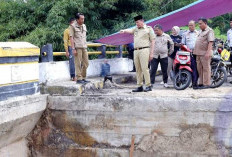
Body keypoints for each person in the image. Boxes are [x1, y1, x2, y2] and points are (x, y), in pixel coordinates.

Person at [120, 15, 155, 92]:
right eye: (136, 22)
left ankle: (148, 85)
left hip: (145, 49)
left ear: (142, 21)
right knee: (138, 69)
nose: (137, 24)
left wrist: (151, 53)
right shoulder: (135, 29)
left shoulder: (149, 29)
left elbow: (153, 41)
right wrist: (124, 30)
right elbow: (129, 30)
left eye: (138, 22)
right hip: (136, 51)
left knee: (145, 68)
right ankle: (139, 86)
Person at [194, 17, 215, 89]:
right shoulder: (200, 31)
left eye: (200, 24)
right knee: (199, 69)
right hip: (198, 53)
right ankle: (201, 83)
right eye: (199, 24)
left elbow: (210, 42)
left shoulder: (209, 31)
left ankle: (206, 84)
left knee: (206, 68)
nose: (199, 25)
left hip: (205, 53)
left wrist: (208, 53)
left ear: (205, 23)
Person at [70, 13, 90, 84]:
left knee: (86, 63)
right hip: (77, 47)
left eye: (83, 18)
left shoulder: (84, 25)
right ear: (77, 19)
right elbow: (71, 38)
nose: (83, 20)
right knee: (78, 63)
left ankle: (83, 77)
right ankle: (79, 78)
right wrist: (73, 49)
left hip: (84, 46)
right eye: (81, 19)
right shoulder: (72, 26)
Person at [182, 20, 199, 89]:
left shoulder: (198, 33)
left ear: (195, 25)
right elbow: (183, 44)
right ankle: (192, 83)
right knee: (192, 68)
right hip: (189, 53)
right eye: (189, 25)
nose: (190, 26)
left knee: (197, 68)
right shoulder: (185, 34)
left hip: (197, 53)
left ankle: (195, 82)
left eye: (192, 25)